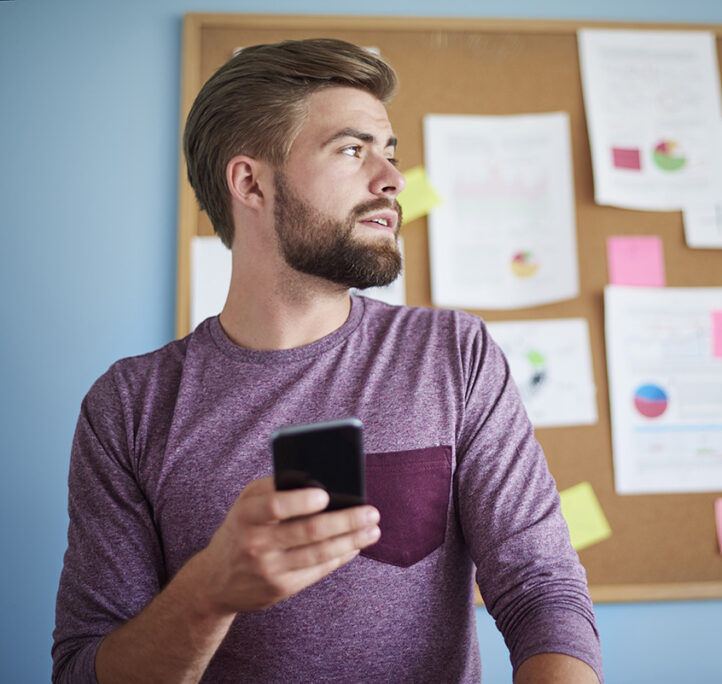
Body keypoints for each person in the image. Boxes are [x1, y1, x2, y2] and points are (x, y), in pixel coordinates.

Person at [52, 38, 602, 683]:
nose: (392, 178)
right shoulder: (128, 407)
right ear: (250, 182)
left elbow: (541, 588)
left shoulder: (454, 356)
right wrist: (209, 592)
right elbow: (82, 671)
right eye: (352, 149)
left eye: (389, 152)